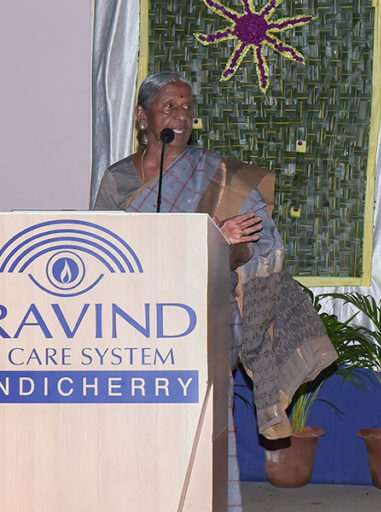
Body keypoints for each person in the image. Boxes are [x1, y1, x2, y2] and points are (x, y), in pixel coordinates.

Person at [93, 71, 337, 511]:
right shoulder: (118, 180)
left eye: (187, 107)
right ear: (143, 118)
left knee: (203, 419)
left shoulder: (225, 179)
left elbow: (258, 247)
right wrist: (206, 233)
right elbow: (102, 253)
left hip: (206, 317)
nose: (181, 116)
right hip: (132, 322)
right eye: (169, 107)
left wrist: (218, 242)